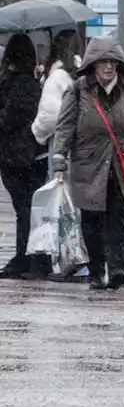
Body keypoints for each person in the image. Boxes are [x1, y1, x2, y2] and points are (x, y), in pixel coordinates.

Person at [51, 34, 124, 291]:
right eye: (103, 61)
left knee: (119, 217)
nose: (108, 67)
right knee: (92, 220)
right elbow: (64, 127)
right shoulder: (78, 89)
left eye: (113, 62)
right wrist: (59, 159)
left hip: (120, 165)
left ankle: (117, 269)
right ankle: (97, 271)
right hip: (88, 164)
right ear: (92, 65)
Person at [33, 29, 85, 282]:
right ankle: (82, 259)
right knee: (77, 204)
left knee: (61, 205)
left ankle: (67, 260)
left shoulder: (56, 78)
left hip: (61, 147)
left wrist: (37, 133)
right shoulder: (80, 73)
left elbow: (48, 117)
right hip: (83, 148)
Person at [0, 34, 51, 279]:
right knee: (30, 208)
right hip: (30, 156)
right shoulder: (32, 83)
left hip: (17, 158)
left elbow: (9, 120)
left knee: (24, 209)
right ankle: (35, 257)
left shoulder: (18, 84)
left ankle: (26, 258)